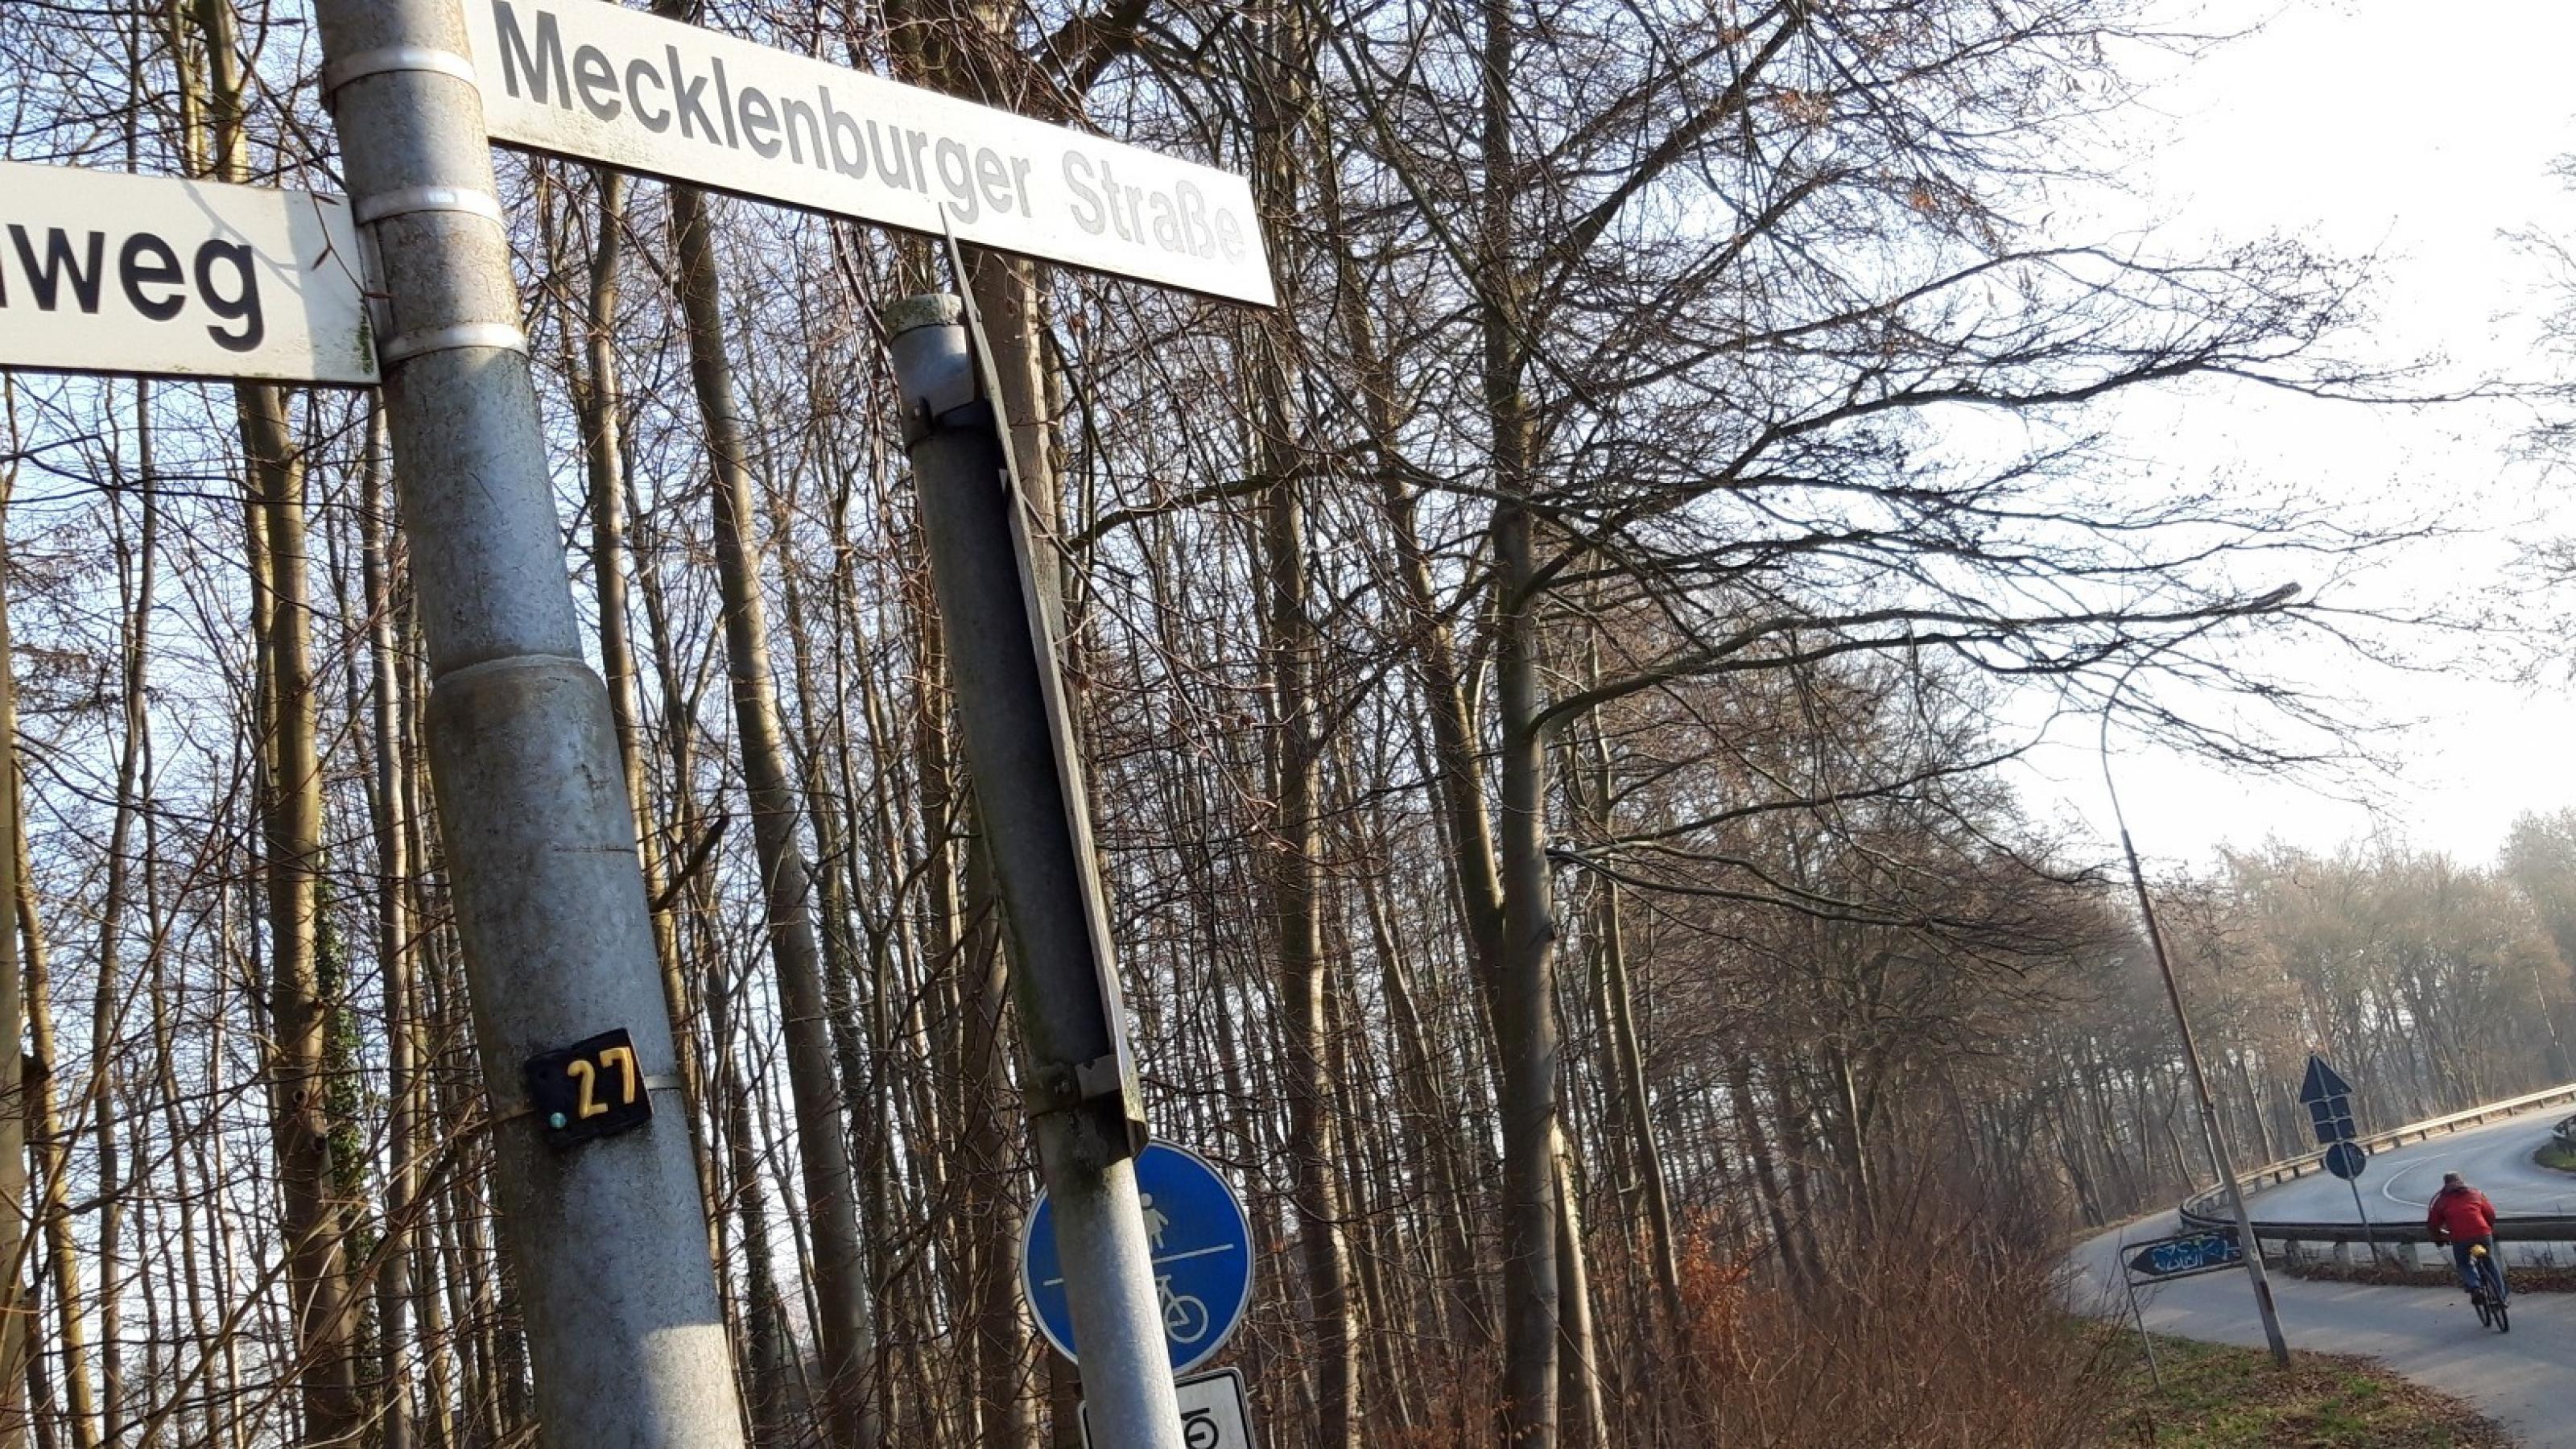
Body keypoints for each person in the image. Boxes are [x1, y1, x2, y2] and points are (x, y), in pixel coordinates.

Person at [2424, 1170, 2505, 1304]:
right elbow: (2490, 1214)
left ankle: (2475, 1287)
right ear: (2462, 1181)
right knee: (2490, 1262)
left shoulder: (2441, 1201)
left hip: (2460, 1238)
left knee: (2464, 1263)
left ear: (2445, 1185)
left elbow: (2433, 1225)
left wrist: (2438, 1238)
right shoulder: (2476, 1193)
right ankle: (2501, 1298)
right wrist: (2489, 1229)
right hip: (2483, 1233)